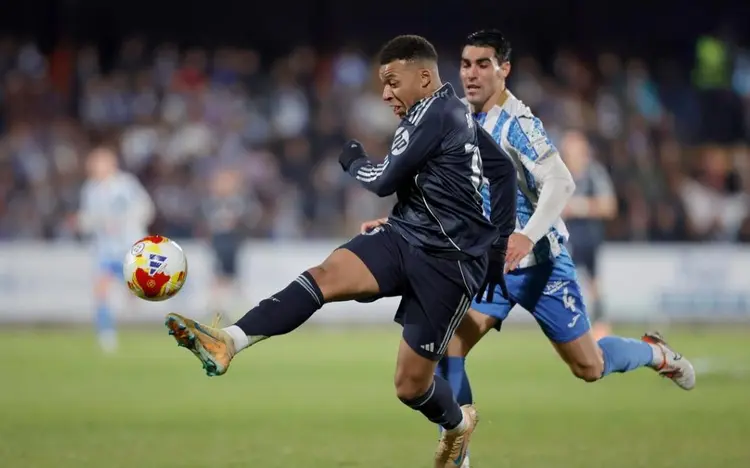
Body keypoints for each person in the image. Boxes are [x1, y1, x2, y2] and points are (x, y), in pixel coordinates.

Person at [163, 34, 516, 468]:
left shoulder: (438, 113)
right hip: (404, 236)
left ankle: (457, 426)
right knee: (326, 274)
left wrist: (353, 160)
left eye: (393, 82)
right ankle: (228, 341)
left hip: (449, 264)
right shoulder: (447, 113)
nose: (385, 93)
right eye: (383, 84)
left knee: (410, 386)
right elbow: (500, 171)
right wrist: (493, 248)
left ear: (424, 78)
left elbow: (383, 179)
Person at [434, 30, 696, 463]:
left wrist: (527, 234)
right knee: (450, 346)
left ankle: (655, 353)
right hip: (492, 267)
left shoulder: (519, 124)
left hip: (540, 265)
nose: (472, 74)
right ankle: (459, 454)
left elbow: (562, 181)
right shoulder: (462, 117)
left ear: (504, 70)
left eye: (483, 64)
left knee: (589, 367)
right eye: (466, 64)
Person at [78, 145, 155, 353]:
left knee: (136, 289)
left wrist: (125, 221)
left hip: (129, 248)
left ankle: (135, 298)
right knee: (101, 290)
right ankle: (106, 335)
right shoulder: (90, 189)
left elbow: (146, 209)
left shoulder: (126, 184)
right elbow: (87, 218)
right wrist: (87, 223)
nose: (96, 167)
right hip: (105, 249)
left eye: (100, 162)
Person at [559, 129, 618, 339]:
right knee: (563, 282)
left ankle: (600, 327)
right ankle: (569, 329)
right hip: (564, 238)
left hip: (589, 236)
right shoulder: (558, 173)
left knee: (593, 283)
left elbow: (609, 206)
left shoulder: (594, 173)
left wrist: (579, 207)